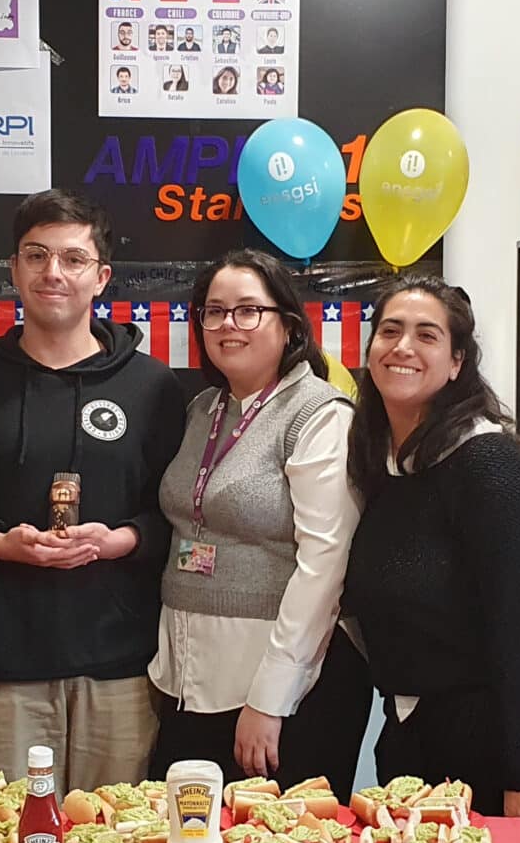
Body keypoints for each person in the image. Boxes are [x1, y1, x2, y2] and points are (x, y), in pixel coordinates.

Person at [0, 189, 186, 791]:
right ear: (13, 270)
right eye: (36, 256)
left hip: (121, 664)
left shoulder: (153, 388)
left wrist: (122, 539)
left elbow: (181, 518)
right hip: (2, 665)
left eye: (72, 259)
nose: (53, 273)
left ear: (102, 276)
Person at [342, 276, 520, 817]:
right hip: (415, 733)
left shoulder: (489, 466)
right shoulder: (380, 461)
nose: (402, 347)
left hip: (502, 748)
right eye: (390, 331)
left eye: (426, 335)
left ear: (456, 363)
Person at [148, 250, 372, 800]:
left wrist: (270, 699)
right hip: (191, 678)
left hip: (284, 690)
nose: (228, 325)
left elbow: (324, 566)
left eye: (249, 310)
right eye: (214, 311)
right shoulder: (204, 407)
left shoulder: (319, 414)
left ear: (288, 325)